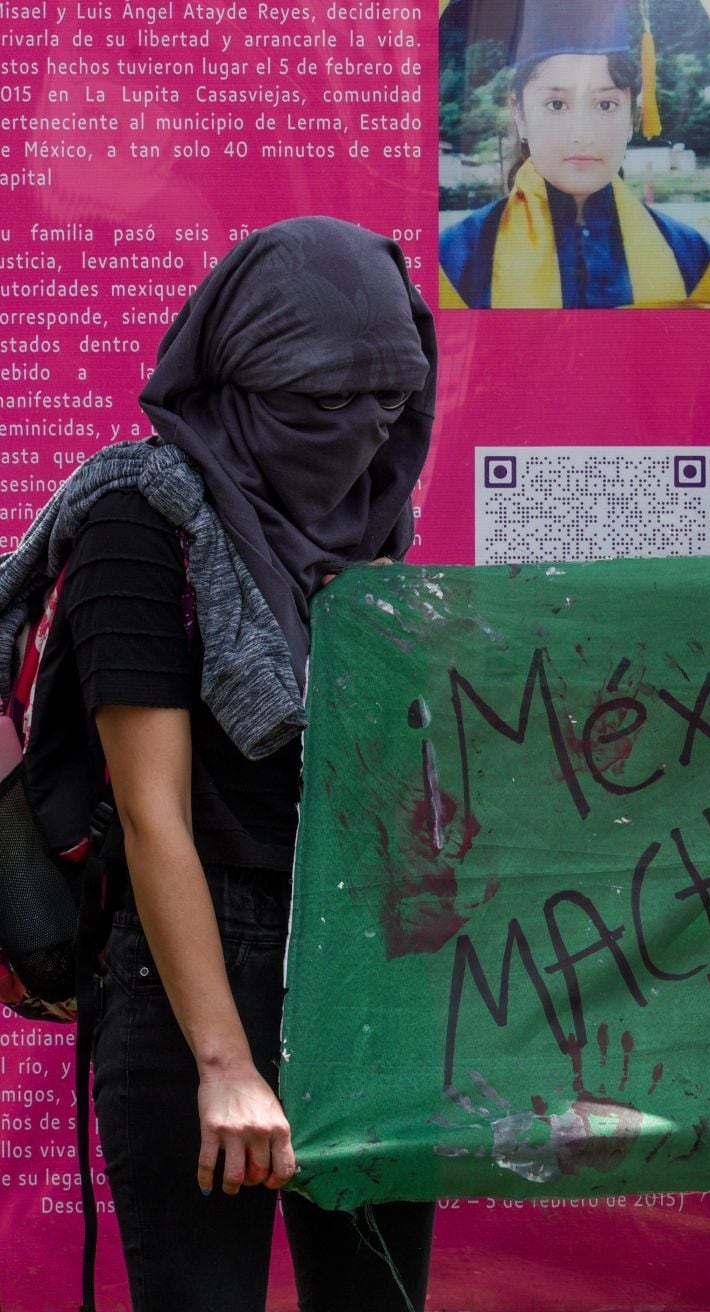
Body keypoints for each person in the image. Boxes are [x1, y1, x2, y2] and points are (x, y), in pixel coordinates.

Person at [28, 218, 438, 1310]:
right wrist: (225, 1062)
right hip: (197, 981)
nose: (358, 435)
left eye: (388, 403)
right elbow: (156, 814)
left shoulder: (376, 529)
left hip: (369, 966)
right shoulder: (135, 520)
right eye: (318, 405)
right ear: (242, 378)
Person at [438, 0, 710, 309]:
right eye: (556, 104)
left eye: (606, 104)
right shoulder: (456, 257)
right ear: (518, 112)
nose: (582, 135)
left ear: (633, 117)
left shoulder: (689, 253)